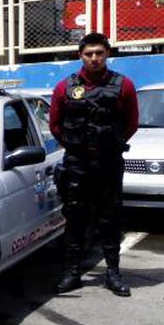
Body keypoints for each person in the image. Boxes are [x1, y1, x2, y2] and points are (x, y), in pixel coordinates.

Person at [49, 32, 139, 297]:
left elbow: (132, 123)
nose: (94, 58)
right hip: (77, 163)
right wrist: (77, 147)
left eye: (99, 53)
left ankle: (113, 274)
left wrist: (107, 145)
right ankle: (72, 273)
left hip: (109, 162)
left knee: (110, 218)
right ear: (80, 56)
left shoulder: (124, 86)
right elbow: (55, 124)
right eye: (89, 54)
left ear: (107, 54)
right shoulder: (64, 87)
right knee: (75, 218)